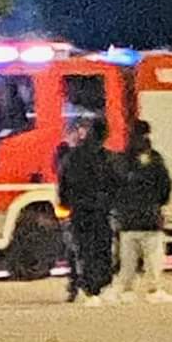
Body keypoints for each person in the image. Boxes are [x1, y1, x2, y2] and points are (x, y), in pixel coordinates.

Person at [114, 119, 172, 302]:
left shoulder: (121, 159)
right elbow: (165, 185)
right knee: (153, 257)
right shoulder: (154, 159)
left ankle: (127, 291)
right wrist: (158, 204)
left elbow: (115, 186)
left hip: (127, 219)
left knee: (128, 259)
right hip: (149, 218)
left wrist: (121, 207)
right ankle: (153, 291)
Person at [58, 116, 115, 301]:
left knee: (84, 249)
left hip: (80, 211)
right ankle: (101, 285)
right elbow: (116, 184)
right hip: (101, 212)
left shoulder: (73, 156)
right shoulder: (107, 157)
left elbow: (63, 182)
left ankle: (88, 288)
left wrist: (65, 204)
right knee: (102, 249)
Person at [56, 123, 87, 302]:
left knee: (76, 249)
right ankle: (77, 284)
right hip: (79, 210)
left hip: (77, 209)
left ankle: (76, 284)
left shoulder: (68, 157)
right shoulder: (67, 155)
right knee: (76, 249)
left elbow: (63, 185)